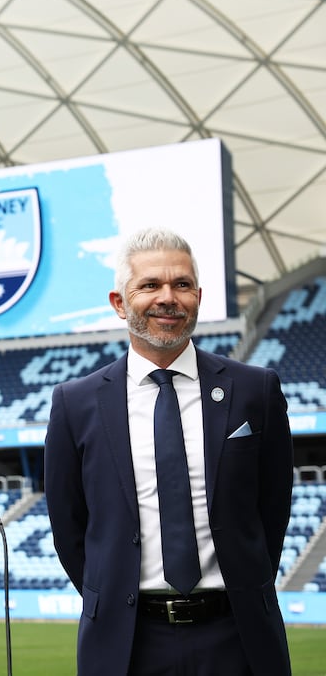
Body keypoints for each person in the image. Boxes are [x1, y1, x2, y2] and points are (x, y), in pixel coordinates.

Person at [44, 227, 293, 675]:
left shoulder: (256, 390)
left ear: (198, 296)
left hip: (239, 638)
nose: (168, 297)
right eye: (150, 285)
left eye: (181, 285)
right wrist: (114, 600)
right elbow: (69, 526)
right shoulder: (75, 403)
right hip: (127, 644)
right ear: (120, 303)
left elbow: (272, 509)